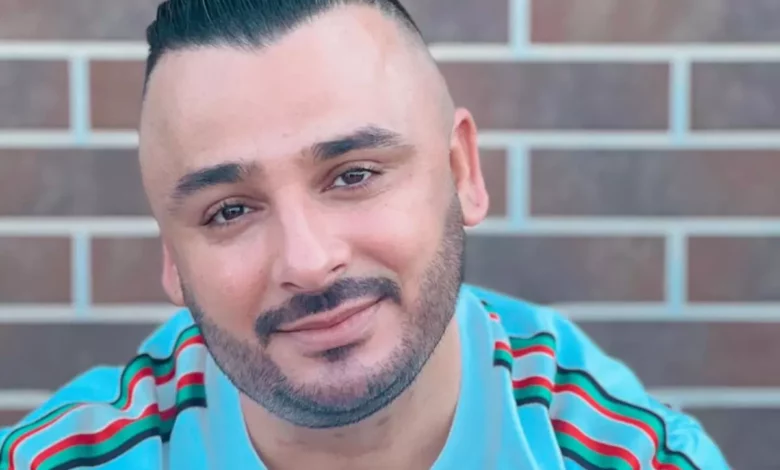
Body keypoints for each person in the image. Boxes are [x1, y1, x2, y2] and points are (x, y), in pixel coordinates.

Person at [0, 0, 730, 469]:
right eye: (230, 211)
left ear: (462, 172)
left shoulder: (630, 457)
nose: (309, 261)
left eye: (353, 175)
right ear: (172, 256)